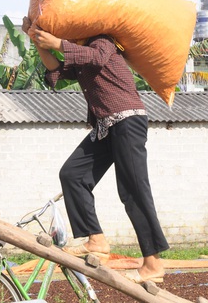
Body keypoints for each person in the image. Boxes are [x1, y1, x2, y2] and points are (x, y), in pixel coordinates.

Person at [23, 17, 169, 284]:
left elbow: (97, 57)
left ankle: (152, 264)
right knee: (72, 174)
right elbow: (57, 71)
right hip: (105, 126)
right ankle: (97, 240)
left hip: (127, 120)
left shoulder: (102, 40)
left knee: (133, 190)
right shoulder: (79, 53)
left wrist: (57, 42)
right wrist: (39, 42)